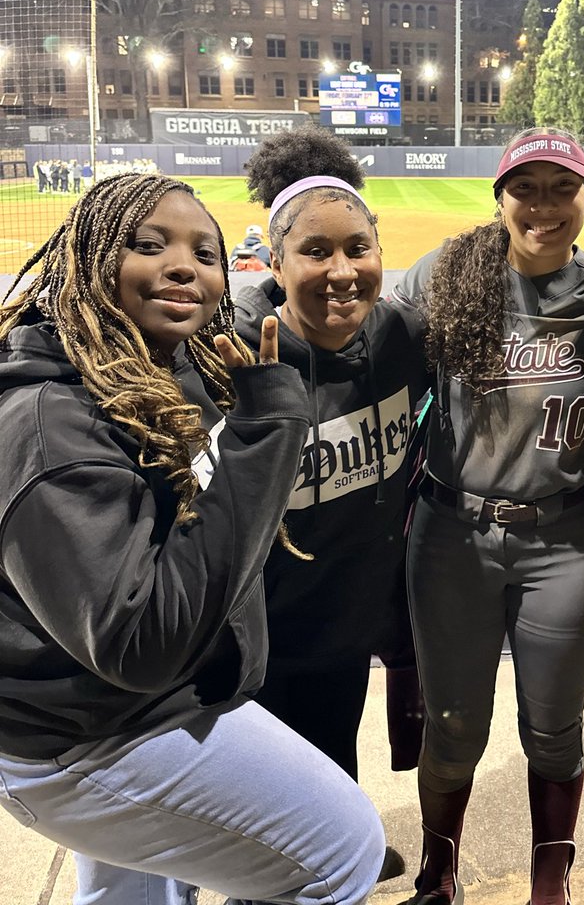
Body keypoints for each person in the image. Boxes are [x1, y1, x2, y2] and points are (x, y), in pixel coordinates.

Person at [0, 173, 385, 905]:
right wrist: (266, 431)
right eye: (150, 245)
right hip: (87, 736)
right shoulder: (48, 427)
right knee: (343, 852)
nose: (185, 265)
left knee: (135, 898)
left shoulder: (159, 368)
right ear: (87, 260)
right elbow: (140, 641)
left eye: (205, 253)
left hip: (112, 712)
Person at [390, 127, 584, 905]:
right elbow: (357, 331)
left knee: (553, 726)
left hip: (565, 538)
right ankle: (439, 867)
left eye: (563, 187)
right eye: (526, 187)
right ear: (499, 198)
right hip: (452, 535)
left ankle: (549, 878)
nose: (544, 205)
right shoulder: (449, 276)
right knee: (454, 722)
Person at [233, 129, 431, 888]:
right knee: (256, 822)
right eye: (316, 251)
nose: (342, 271)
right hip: (253, 642)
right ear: (275, 262)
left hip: (346, 619)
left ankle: (342, 840)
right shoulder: (236, 353)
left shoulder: (401, 336)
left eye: (359, 248)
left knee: (332, 760)